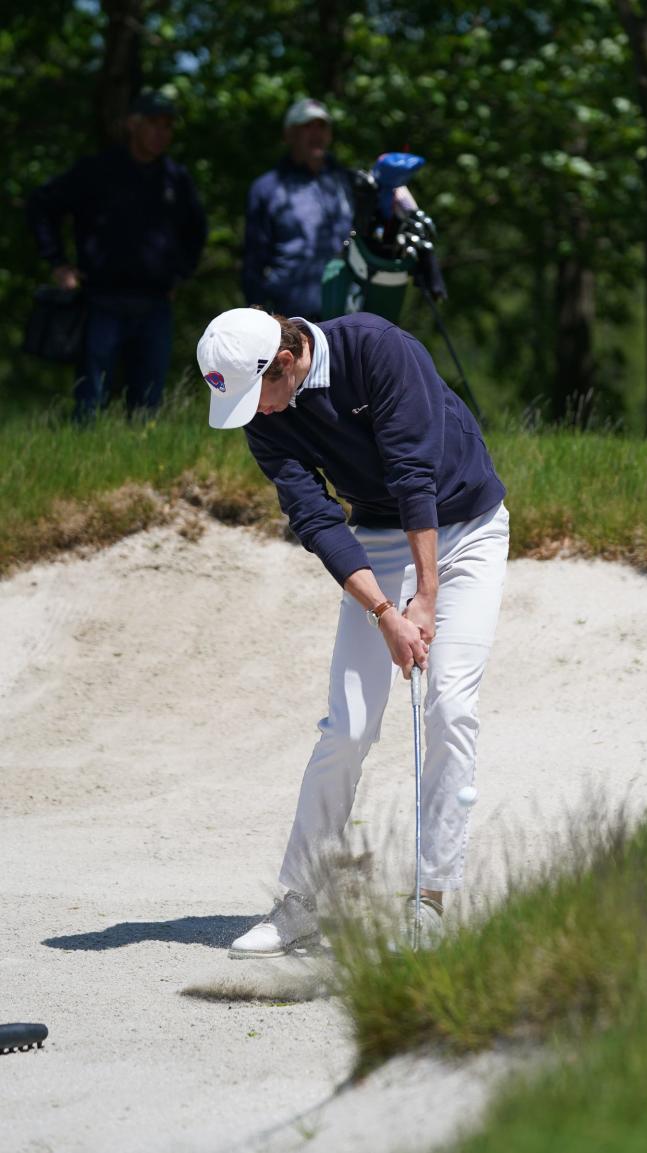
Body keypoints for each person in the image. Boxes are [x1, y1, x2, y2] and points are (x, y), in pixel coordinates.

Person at [196, 306, 509, 956]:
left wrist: (426, 596)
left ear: (286, 360)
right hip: (379, 535)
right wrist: (386, 613)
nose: (261, 413)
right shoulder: (264, 420)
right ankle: (301, 903)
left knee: (449, 703)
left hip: (467, 528)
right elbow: (316, 519)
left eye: (263, 395)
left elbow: (413, 474)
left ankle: (432, 901)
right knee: (348, 726)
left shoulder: (376, 350)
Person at [27, 90, 207, 422]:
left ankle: (142, 467)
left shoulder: (175, 179)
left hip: (155, 303)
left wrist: (179, 274)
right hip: (101, 300)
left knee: (149, 403)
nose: (161, 132)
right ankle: (84, 464)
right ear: (132, 125)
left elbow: (196, 231)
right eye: (154, 123)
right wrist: (57, 263)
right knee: (90, 398)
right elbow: (41, 204)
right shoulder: (97, 170)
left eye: (167, 126)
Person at [242, 98, 355, 320]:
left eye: (322, 126)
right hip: (292, 318)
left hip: (349, 312)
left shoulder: (347, 181)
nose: (316, 134)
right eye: (307, 126)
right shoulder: (267, 188)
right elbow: (254, 262)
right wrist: (257, 316)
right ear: (288, 135)